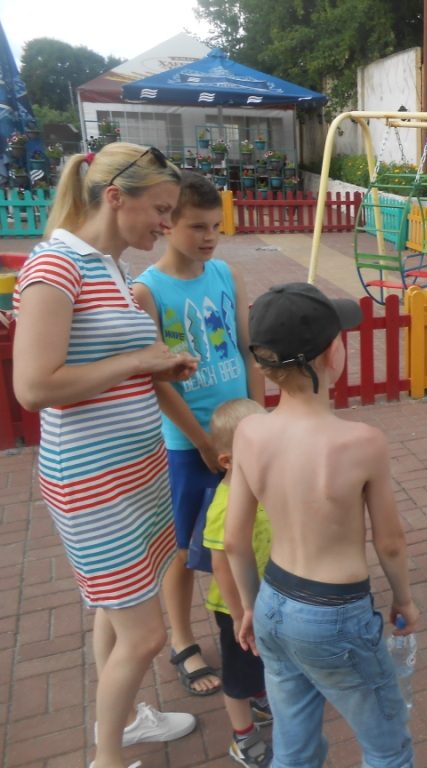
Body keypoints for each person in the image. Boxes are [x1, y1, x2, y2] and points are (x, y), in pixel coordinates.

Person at [12, 143, 199, 768]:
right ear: (116, 197)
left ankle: (126, 722)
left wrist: (154, 367)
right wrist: (139, 360)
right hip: (93, 482)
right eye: (161, 210)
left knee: (117, 613)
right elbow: (35, 387)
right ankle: (108, 758)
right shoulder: (55, 265)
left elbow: (102, 365)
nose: (167, 225)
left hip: (133, 472)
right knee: (145, 635)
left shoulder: (110, 267)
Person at [225, 283, 418, 768]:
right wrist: (404, 599)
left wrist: (248, 607)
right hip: (336, 613)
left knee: (294, 748)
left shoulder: (249, 431)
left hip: (273, 604)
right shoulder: (362, 442)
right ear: (334, 353)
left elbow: (234, 541)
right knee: (388, 747)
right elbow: (390, 543)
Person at [132, 171, 263, 697]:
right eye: (197, 227)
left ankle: (247, 619)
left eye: (216, 226)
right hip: (189, 445)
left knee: (246, 532)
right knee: (185, 549)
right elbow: (157, 380)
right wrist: (203, 442)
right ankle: (183, 639)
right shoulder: (148, 290)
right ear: (167, 224)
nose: (209, 237)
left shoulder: (227, 274)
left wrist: (258, 419)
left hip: (240, 434)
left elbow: (246, 349)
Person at [202, 398, 274, 767]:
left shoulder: (262, 488)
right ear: (228, 461)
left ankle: (260, 697)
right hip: (236, 607)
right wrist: (237, 615)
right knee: (238, 673)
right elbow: (221, 566)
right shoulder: (225, 504)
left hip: (261, 596)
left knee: (260, 657)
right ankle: (242, 736)